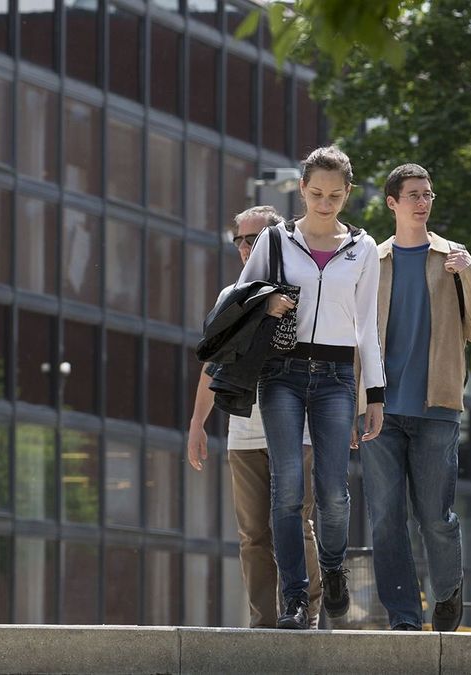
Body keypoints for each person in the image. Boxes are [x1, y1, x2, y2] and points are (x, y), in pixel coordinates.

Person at [234, 145, 385, 629]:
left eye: (335, 195)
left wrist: (374, 395)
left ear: (348, 194)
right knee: (287, 490)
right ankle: (296, 599)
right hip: (281, 372)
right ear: (302, 189)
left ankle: (334, 568)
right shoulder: (275, 241)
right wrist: (267, 302)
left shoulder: (362, 248)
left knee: (334, 492)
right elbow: (240, 300)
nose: (324, 203)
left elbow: (367, 326)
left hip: (338, 377)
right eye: (316, 193)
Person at [357, 163, 471, 631]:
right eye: (413, 194)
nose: (422, 202)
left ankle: (448, 591)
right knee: (385, 520)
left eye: (428, 194)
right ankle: (403, 617)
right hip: (380, 412)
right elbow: (356, 339)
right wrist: (356, 406)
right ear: (392, 203)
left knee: (436, 517)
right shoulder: (371, 262)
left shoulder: (454, 258)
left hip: (437, 408)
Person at [187, 205, 323, 629]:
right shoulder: (231, 295)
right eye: (240, 240)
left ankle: (305, 614)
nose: (246, 247)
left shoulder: (305, 286)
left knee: (298, 523)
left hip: (297, 428)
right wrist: (197, 423)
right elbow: (214, 363)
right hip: (244, 432)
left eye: (255, 238)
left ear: (276, 239)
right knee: (252, 535)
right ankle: (263, 623)